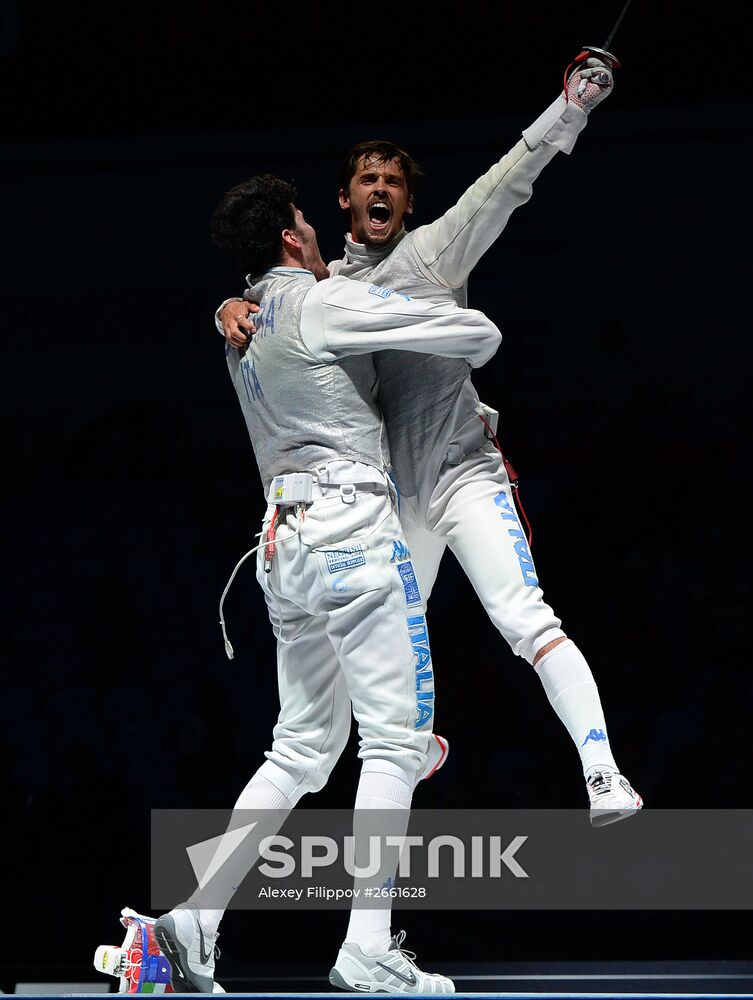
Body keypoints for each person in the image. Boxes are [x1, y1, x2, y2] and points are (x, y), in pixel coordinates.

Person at [217, 56, 643, 825]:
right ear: (343, 199)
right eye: (366, 179)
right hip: (388, 504)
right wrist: (224, 307)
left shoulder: (433, 251)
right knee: (368, 665)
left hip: (461, 474)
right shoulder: (322, 287)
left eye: (392, 181)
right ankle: (413, 753)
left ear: (407, 201)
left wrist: (570, 108)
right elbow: (270, 299)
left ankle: (602, 771)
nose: (379, 189)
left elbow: (507, 180)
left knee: (522, 617)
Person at [155, 174, 501, 994]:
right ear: (289, 236)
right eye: (306, 220)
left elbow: (259, 316)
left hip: (283, 547)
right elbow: (477, 334)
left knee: (302, 747)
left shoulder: (240, 326)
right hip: (352, 533)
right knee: (393, 741)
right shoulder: (321, 301)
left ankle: (197, 919)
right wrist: (401, 307)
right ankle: (365, 948)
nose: (315, 230)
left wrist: (225, 306)